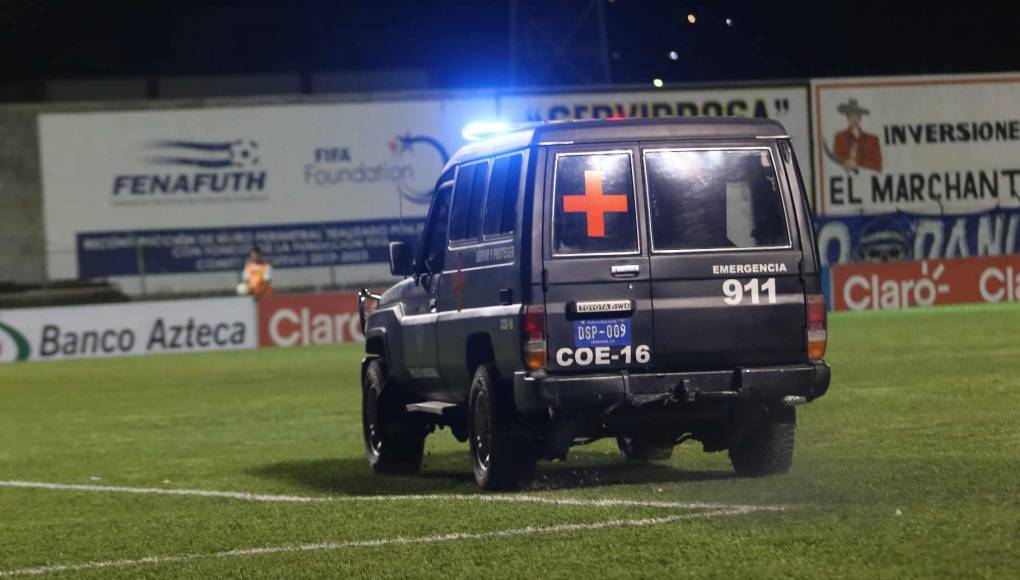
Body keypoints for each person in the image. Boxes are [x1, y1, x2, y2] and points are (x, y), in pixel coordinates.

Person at [832, 98, 882, 172]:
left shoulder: (872, 139)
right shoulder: (840, 137)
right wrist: (847, 161)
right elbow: (835, 160)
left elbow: (878, 165)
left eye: (856, 116)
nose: (854, 119)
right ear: (847, 118)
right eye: (851, 116)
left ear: (860, 118)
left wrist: (858, 162)